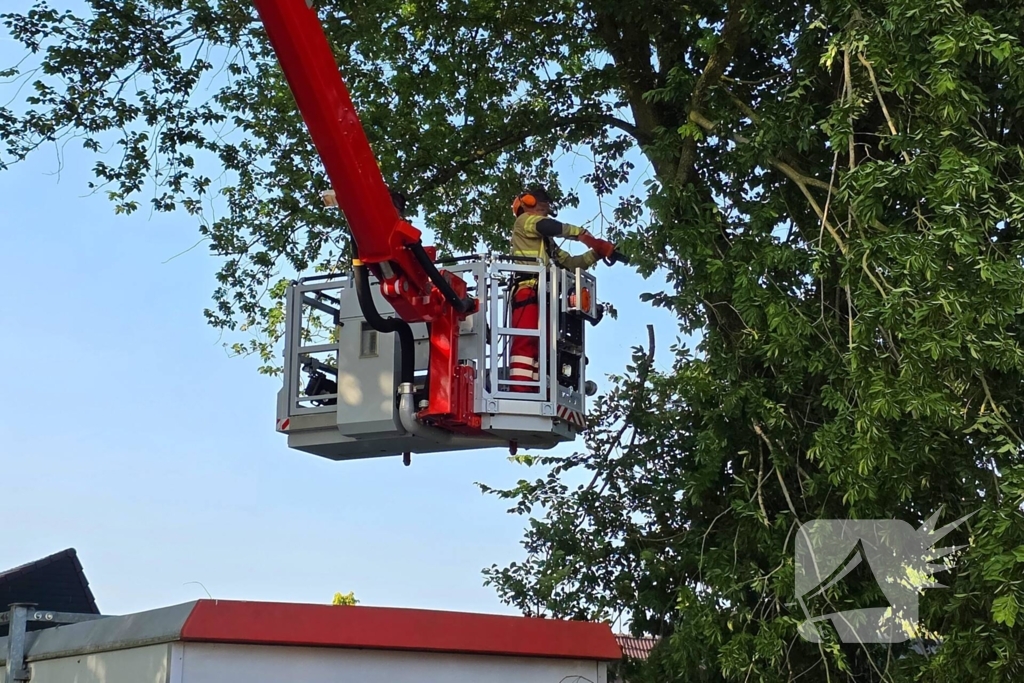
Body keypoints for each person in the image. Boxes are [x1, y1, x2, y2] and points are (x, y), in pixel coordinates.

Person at [507, 186, 616, 392]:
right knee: (526, 341)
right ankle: (520, 389)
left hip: (544, 295)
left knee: (546, 347)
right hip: (527, 291)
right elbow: (550, 226)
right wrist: (584, 236)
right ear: (529, 202)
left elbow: (572, 263)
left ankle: (538, 389)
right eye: (544, 204)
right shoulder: (525, 221)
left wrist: (597, 253)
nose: (547, 209)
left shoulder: (546, 243)